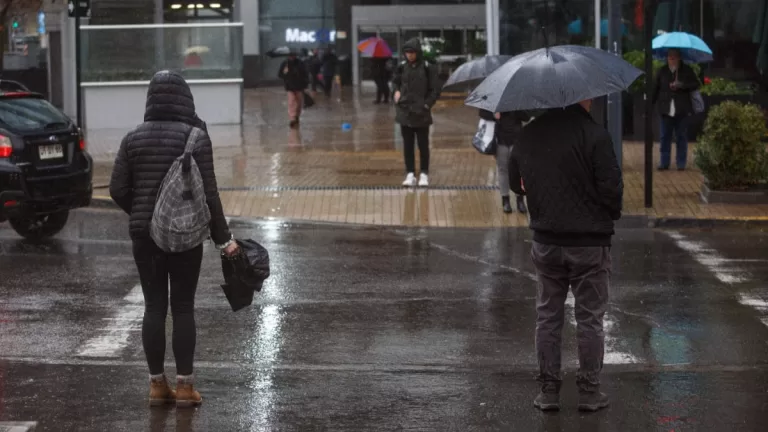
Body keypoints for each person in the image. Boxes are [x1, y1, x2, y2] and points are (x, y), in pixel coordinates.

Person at [109, 70, 240, 407]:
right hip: (185, 237)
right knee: (182, 307)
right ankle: (184, 388)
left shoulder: (132, 138)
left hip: (144, 236)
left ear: (150, 99)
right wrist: (224, 240)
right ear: (186, 99)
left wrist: (142, 214)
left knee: (154, 306)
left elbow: (117, 189)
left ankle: (156, 385)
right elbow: (210, 196)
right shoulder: (196, 137)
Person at [509, 100, 623, 413]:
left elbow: (514, 183)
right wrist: (607, 216)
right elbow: (612, 189)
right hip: (589, 243)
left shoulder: (529, 135)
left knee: (548, 315)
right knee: (589, 318)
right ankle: (588, 392)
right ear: (583, 99)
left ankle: (548, 391)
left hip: (546, 241)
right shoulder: (595, 135)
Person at [392, 38, 439, 187]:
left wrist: (426, 105)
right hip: (404, 111)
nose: (409, 55)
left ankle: (424, 173)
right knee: (407, 144)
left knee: (423, 144)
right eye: (407, 53)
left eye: (412, 52)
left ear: (417, 52)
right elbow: (395, 82)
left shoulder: (427, 67)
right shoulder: (401, 67)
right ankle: (410, 173)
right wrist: (396, 92)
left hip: (421, 113)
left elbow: (435, 89)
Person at [652, 48, 700, 171]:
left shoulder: (687, 71)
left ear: (679, 58)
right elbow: (655, 89)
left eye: (674, 57)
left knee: (681, 137)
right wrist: (650, 105)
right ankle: (664, 162)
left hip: (682, 109)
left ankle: (681, 162)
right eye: (669, 57)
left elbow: (695, 84)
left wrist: (682, 85)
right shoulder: (662, 71)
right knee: (665, 137)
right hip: (666, 109)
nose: (671, 59)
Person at [479, 109, 529, 213]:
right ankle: (505, 199)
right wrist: (494, 115)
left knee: (519, 170)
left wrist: (516, 110)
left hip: (516, 139)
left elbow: (526, 117)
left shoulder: (518, 99)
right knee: (502, 170)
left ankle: (520, 199)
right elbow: (482, 113)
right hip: (501, 140)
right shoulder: (496, 100)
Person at [278, 52, 309, 128]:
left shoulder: (300, 63)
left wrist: (304, 82)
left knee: (299, 103)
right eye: (290, 56)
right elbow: (280, 74)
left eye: (293, 55)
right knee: (291, 102)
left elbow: (305, 73)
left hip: (299, 86)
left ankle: (296, 116)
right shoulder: (285, 64)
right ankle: (292, 118)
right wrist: (285, 73)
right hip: (289, 87)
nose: (291, 57)